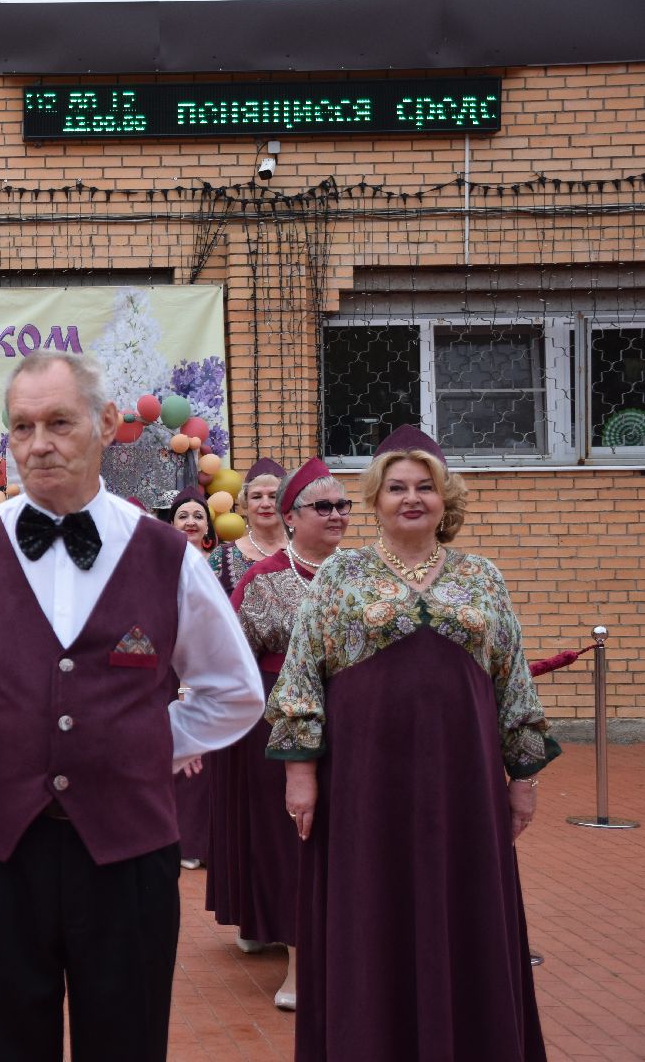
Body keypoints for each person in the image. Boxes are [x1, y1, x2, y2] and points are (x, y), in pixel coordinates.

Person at [0, 351, 264, 1062]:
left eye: (59, 422)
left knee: (128, 1043)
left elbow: (233, 691)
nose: (39, 444)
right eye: (22, 427)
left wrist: (146, 745)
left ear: (106, 424)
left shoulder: (168, 555)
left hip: (128, 853)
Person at [266, 425, 559, 1062]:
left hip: (463, 784)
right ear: (375, 499)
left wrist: (523, 778)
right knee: (371, 906)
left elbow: (513, 680)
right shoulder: (341, 575)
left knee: (465, 905)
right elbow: (302, 675)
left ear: (444, 498)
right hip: (363, 785)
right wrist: (300, 773)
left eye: (425, 486)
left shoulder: (481, 577)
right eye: (396, 487)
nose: (411, 498)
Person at [206, 457, 349, 1012]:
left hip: (354, 723)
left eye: (343, 505)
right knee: (293, 839)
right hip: (279, 723)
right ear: (292, 516)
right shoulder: (263, 578)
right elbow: (229, 655)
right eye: (323, 506)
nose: (336, 515)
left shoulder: (364, 572)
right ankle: (298, 961)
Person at [165, 485, 215, 870]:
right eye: (183, 516)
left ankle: (204, 841)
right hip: (170, 666)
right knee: (177, 747)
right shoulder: (161, 563)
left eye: (198, 516)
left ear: (208, 525)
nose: (191, 522)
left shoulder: (221, 564)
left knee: (209, 753)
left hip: (210, 665)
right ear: (171, 524)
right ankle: (179, 839)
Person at [209, 458, 287, 593]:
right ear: (245, 504)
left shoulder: (306, 552)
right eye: (256, 497)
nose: (265, 504)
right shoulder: (221, 556)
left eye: (273, 496)